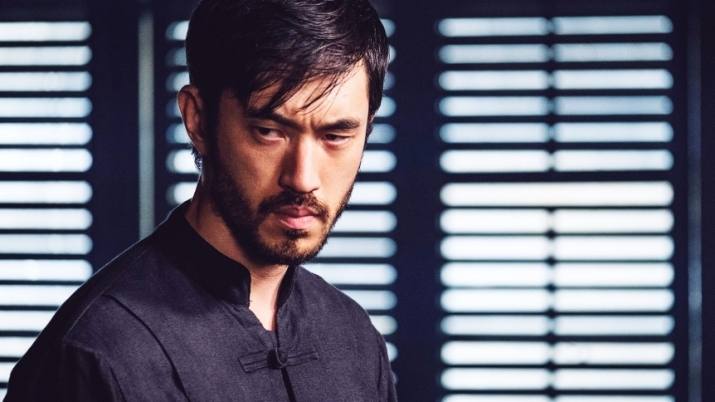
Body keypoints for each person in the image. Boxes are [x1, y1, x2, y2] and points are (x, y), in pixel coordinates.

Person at [5, 0, 395, 400]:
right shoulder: (94, 353)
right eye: (268, 131)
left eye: (336, 137)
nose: (302, 179)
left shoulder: (355, 338)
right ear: (198, 120)